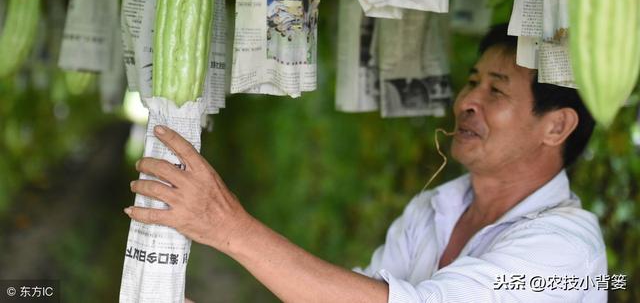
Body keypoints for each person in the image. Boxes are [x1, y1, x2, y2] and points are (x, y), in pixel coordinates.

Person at [126, 23, 607, 302]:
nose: (467, 102)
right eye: (472, 82)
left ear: (556, 127)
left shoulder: (567, 251)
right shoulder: (434, 209)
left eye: (496, 90)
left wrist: (226, 226)